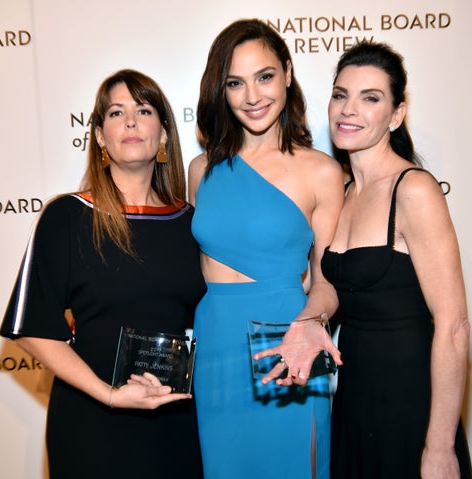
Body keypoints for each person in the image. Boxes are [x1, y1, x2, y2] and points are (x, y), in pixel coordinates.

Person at [0, 69, 205, 478]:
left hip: (174, 423)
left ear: (163, 134)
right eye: (116, 112)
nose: (130, 121)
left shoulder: (190, 223)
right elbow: (33, 328)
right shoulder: (67, 217)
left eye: (143, 110)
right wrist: (109, 395)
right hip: (92, 420)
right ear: (98, 136)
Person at [188, 19, 344, 479]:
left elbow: (328, 280)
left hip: (288, 344)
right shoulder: (200, 170)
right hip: (215, 344)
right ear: (222, 89)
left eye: (265, 76)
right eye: (235, 83)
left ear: (289, 74)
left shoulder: (321, 172)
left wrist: (309, 325)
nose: (252, 96)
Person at [321, 41, 472, 478]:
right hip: (354, 394)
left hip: (410, 398)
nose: (349, 109)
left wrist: (440, 448)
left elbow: (454, 326)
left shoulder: (414, 189)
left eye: (370, 98)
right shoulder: (346, 192)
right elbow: (331, 286)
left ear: (397, 114)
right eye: (340, 94)